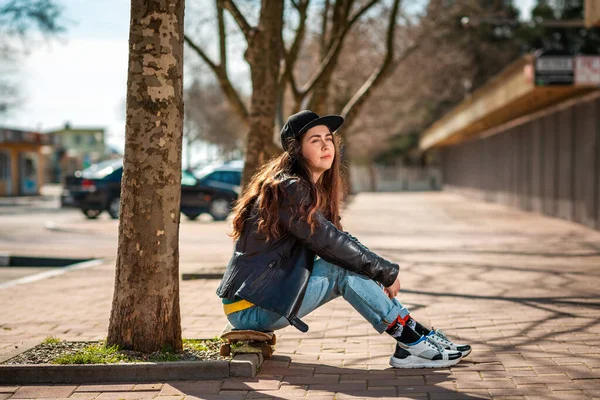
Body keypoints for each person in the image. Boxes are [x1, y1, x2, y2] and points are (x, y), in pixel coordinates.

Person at [217, 110, 471, 369]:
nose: (327, 145)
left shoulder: (307, 188)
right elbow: (330, 243)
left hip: (266, 295)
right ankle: (411, 341)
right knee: (342, 267)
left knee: (354, 263)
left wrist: (377, 269)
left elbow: (341, 239)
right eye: (315, 140)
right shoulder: (289, 189)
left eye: (329, 138)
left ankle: (414, 335)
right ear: (296, 149)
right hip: (249, 307)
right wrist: (385, 271)